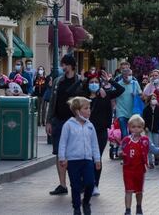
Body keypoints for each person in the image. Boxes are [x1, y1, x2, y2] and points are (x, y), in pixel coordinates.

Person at [79, 69, 124, 196]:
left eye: (96, 82)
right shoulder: (82, 96)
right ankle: (84, 183)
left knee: (96, 157)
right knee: (85, 158)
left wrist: (110, 80)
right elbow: (71, 92)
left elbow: (121, 90)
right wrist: (82, 80)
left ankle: (94, 184)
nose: (94, 83)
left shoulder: (105, 94)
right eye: (91, 82)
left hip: (100, 131)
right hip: (84, 131)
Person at [47, 54, 84, 196]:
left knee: (75, 153)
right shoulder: (58, 81)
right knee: (59, 153)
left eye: (65, 65)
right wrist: (49, 120)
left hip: (74, 122)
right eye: (62, 65)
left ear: (72, 65)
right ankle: (62, 184)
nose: (63, 68)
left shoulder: (79, 81)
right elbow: (52, 101)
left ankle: (77, 182)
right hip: (59, 121)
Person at [57, 96, 101, 215]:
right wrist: (62, 158)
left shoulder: (90, 125)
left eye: (89, 108)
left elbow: (94, 144)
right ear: (77, 111)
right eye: (86, 108)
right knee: (75, 186)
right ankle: (76, 208)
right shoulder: (68, 125)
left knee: (90, 183)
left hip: (87, 160)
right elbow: (63, 143)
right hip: (73, 161)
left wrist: (97, 159)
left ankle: (86, 202)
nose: (89, 111)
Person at [121, 115, 158, 215]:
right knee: (128, 190)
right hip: (128, 169)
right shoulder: (126, 140)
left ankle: (139, 207)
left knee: (139, 191)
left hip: (140, 170)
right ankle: (127, 210)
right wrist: (121, 154)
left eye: (138, 127)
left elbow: (154, 150)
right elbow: (121, 150)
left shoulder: (145, 140)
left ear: (142, 127)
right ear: (129, 127)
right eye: (133, 127)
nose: (136, 129)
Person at [114, 61, 142, 139]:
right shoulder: (118, 83)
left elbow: (140, 93)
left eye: (130, 75)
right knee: (124, 133)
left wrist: (136, 94)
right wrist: (114, 107)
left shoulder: (135, 82)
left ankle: (131, 148)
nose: (128, 77)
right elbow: (112, 95)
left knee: (132, 132)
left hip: (132, 111)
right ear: (122, 75)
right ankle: (124, 148)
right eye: (126, 75)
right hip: (121, 111)